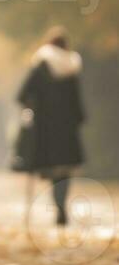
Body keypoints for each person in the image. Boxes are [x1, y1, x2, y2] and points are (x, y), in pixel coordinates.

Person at [15, 26, 87, 227]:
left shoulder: (40, 67)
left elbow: (22, 95)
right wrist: (78, 120)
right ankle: (61, 205)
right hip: (67, 129)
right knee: (64, 171)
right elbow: (77, 104)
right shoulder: (72, 69)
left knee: (52, 171)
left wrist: (34, 106)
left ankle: (58, 207)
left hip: (45, 129)